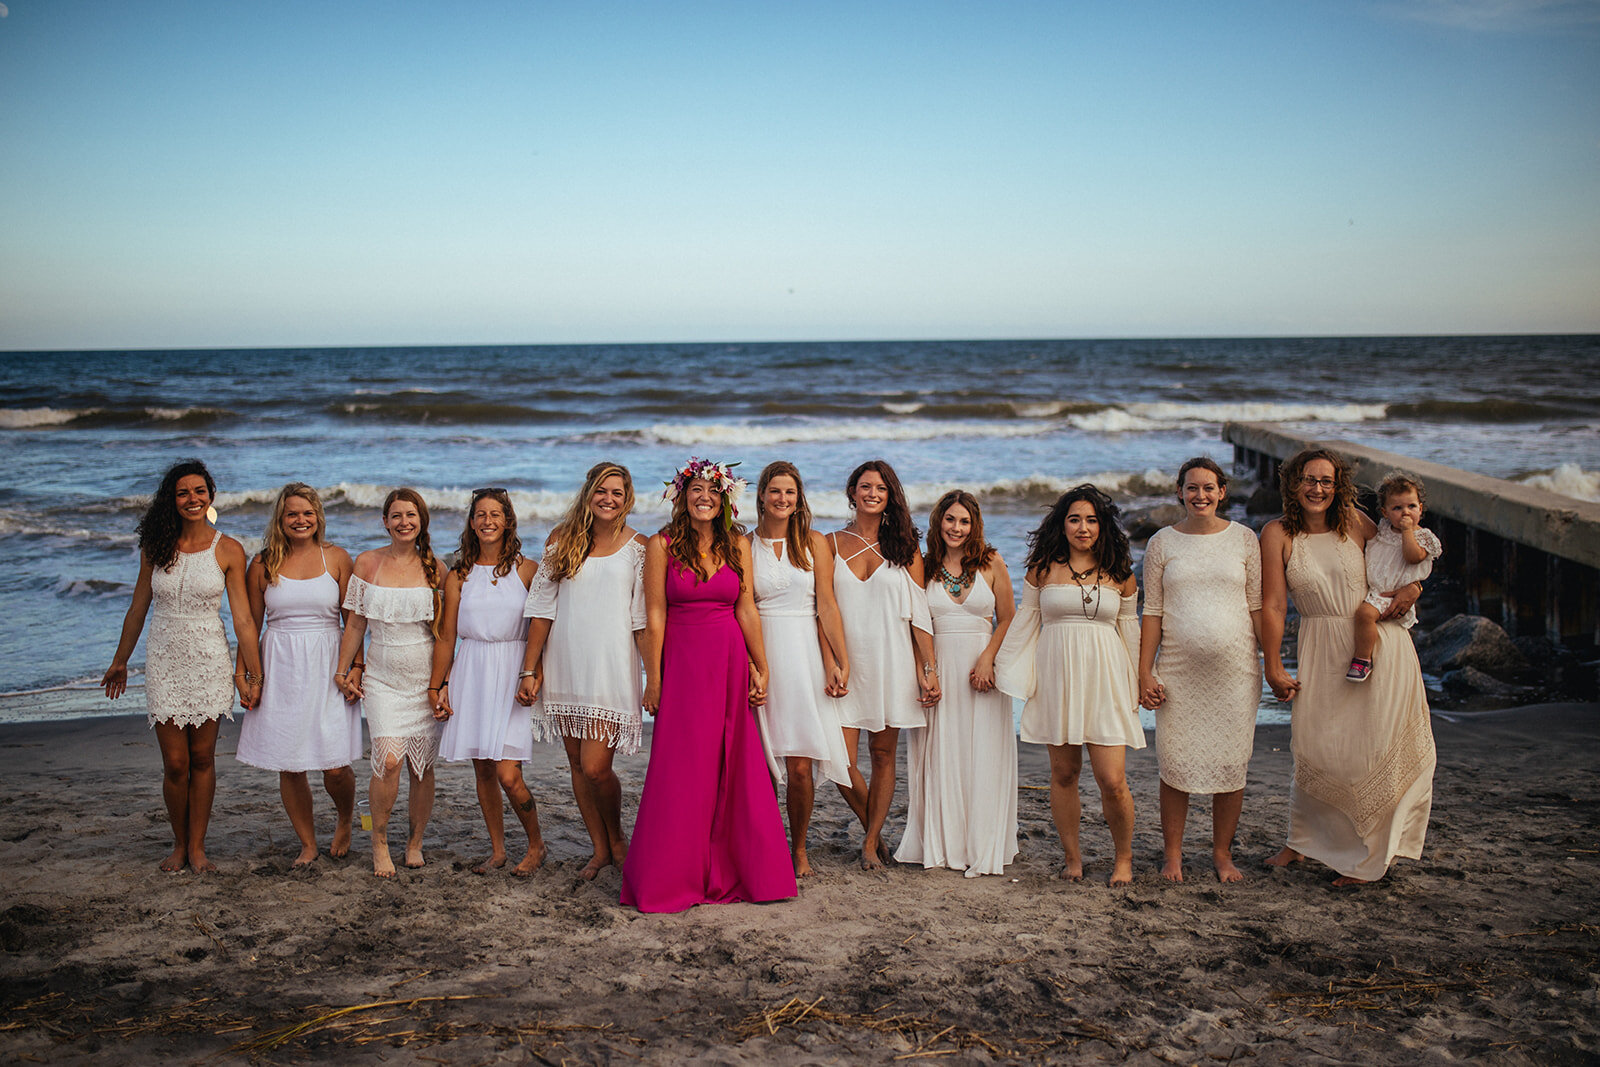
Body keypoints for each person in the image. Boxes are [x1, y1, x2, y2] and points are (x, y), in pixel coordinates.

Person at [620, 457, 795, 912]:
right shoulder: (661, 545)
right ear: (682, 496)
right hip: (682, 663)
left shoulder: (737, 543)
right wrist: (653, 678)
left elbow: (746, 608)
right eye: (696, 489)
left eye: (712, 491)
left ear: (724, 500)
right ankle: (672, 876)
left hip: (729, 659)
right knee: (682, 768)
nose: (704, 497)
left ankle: (741, 871)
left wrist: (761, 665)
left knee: (738, 764)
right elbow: (655, 614)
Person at [1261, 449, 1434, 886]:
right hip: (1319, 646)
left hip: (1377, 647)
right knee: (1314, 744)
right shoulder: (1276, 533)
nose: (1318, 488)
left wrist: (1413, 587)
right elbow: (1275, 604)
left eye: (1327, 480)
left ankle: (1368, 856)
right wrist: (1273, 664)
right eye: (1308, 479)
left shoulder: (1356, 522)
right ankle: (1301, 840)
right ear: (1292, 484)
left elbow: (1399, 558)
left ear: (1339, 486)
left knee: (1369, 749)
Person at [102, 459, 262, 873]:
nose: (192, 499)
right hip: (164, 657)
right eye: (183, 493)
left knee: (203, 758)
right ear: (171, 500)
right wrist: (120, 660)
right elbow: (138, 607)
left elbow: (243, 618)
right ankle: (177, 843)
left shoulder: (228, 549)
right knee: (175, 764)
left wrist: (251, 673)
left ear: (210, 496)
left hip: (209, 656)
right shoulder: (156, 546)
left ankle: (197, 846)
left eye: (199, 491)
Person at [996, 484, 1143, 885]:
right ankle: (1073, 857)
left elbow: (1131, 636)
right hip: (1057, 678)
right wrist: (1002, 668)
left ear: (1103, 526)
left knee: (1112, 780)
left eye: (1091, 520)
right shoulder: (1042, 569)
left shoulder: (1120, 574)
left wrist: (1142, 680)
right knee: (1063, 774)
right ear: (1061, 525)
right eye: (1075, 519)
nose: (1083, 527)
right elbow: (1025, 625)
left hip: (1106, 679)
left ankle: (1124, 859)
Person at [516, 462, 647, 880]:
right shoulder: (561, 540)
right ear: (589, 493)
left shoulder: (639, 548)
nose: (609, 499)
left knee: (596, 767)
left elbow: (643, 618)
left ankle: (618, 837)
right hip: (565, 662)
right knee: (575, 763)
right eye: (602, 491)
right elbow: (541, 610)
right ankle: (599, 849)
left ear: (627, 500)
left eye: (618, 493)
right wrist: (529, 670)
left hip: (611, 666)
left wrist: (654, 677)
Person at [1137, 458, 1263, 884]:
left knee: (1231, 765)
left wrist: (1275, 665)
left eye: (1209, 488)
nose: (1201, 495)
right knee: (1175, 766)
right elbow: (1151, 612)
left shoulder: (1245, 540)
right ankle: (1172, 855)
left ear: (1222, 491)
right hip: (1177, 673)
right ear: (1180, 492)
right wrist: (1145, 672)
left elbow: (1257, 606)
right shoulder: (1161, 543)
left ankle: (1222, 854)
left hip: (1236, 673)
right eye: (1192, 488)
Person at [895, 490, 1019, 877]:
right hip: (940, 668)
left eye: (964, 521)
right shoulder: (925, 567)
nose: (957, 528)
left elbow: (1009, 618)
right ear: (939, 522)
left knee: (984, 754)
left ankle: (981, 843)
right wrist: (926, 672)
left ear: (975, 525)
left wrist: (989, 659)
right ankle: (943, 843)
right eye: (950, 519)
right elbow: (916, 624)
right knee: (941, 753)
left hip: (983, 672)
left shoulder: (992, 562)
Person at [236, 483, 360, 868]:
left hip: (328, 663)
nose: (300, 520)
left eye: (307, 513)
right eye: (292, 514)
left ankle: (344, 818)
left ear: (318, 517)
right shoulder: (261, 564)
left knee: (336, 764)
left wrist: (355, 666)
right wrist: (244, 673)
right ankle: (307, 843)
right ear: (280, 519)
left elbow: (353, 622)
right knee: (290, 762)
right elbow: (250, 625)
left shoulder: (337, 559)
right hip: (280, 664)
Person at [828, 459, 940, 870]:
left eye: (880, 488)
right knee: (839, 761)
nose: (872, 493)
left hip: (893, 661)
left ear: (890, 495)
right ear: (852, 492)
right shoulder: (830, 543)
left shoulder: (906, 548)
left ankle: (872, 841)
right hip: (846, 666)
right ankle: (871, 826)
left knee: (883, 755)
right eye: (865, 486)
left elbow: (920, 616)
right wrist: (831, 661)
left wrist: (928, 671)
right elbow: (822, 610)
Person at [431, 488, 546, 876]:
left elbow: (543, 628)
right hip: (472, 668)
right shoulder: (459, 575)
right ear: (471, 522)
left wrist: (535, 672)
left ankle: (536, 844)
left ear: (508, 520)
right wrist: (438, 685)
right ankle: (497, 850)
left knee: (508, 773)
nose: (487, 521)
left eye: (495, 514)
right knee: (482, 768)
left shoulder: (527, 570)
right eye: (480, 514)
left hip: (513, 669)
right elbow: (447, 637)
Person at [748, 460, 853, 877]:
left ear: (798, 498)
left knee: (800, 764)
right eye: (775, 491)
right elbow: (742, 607)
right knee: (757, 761)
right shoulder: (743, 544)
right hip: (761, 651)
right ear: (761, 495)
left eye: (790, 492)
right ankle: (762, 843)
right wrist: (752, 664)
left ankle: (800, 848)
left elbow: (826, 605)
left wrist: (839, 661)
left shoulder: (812, 543)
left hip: (804, 654)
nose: (782, 498)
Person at [335, 488, 443, 879]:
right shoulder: (367, 563)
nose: (404, 522)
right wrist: (343, 669)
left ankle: (414, 842)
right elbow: (356, 625)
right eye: (396, 516)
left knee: (421, 768)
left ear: (421, 520)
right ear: (385, 521)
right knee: (390, 759)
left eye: (411, 515)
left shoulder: (437, 569)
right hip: (381, 679)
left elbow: (444, 635)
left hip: (423, 682)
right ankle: (378, 841)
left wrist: (442, 683)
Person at [1347, 471, 1441, 683]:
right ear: (1385, 512)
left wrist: (1408, 531)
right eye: (1397, 508)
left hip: (1391, 594)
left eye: (1411, 507)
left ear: (1421, 508)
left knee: (1364, 614)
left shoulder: (1423, 537)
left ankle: (1362, 659)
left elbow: (1412, 557)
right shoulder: (1383, 530)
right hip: (1377, 590)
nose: (1405, 513)